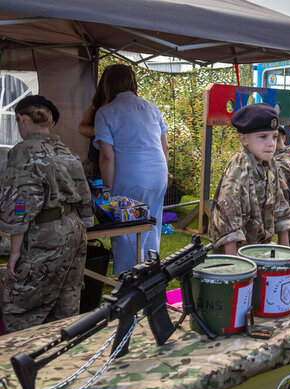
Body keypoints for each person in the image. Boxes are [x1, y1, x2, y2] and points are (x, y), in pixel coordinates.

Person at [0, 95, 94, 333]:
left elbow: (20, 204)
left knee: (22, 307)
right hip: (74, 231)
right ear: (50, 123)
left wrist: (15, 251)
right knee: (66, 302)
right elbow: (84, 193)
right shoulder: (65, 150)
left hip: (44, 235)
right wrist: (84, 223)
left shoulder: (23, 152)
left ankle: (22, 360)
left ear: (21, 119)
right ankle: (60, 357)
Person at [94, 64, 169, 274]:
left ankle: (129, 281)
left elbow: (107, 156)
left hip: (131, 177)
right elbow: (165, 147)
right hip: (158, 174)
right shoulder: (151, 107)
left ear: (107, 85)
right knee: (151, 225)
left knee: (126, 231)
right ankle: (151, 273)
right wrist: (164, 173)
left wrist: (107, 193)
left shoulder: (105, 112)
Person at [209, 103, 290, 255]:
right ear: (244, 140)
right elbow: (229, 226)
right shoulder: (239, 171)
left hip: (259, 250)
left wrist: (286, 257)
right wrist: (237, 271)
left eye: (274, 137)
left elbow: (281, 208)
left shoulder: (270, 163)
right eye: (263, 137)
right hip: (235, 256)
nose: (271, 143)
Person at [78, 66, 114, 180]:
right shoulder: (96, 104)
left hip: (115, 165)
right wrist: (98, 130)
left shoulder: (127, 106)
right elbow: (81, 128)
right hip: (94, 163)